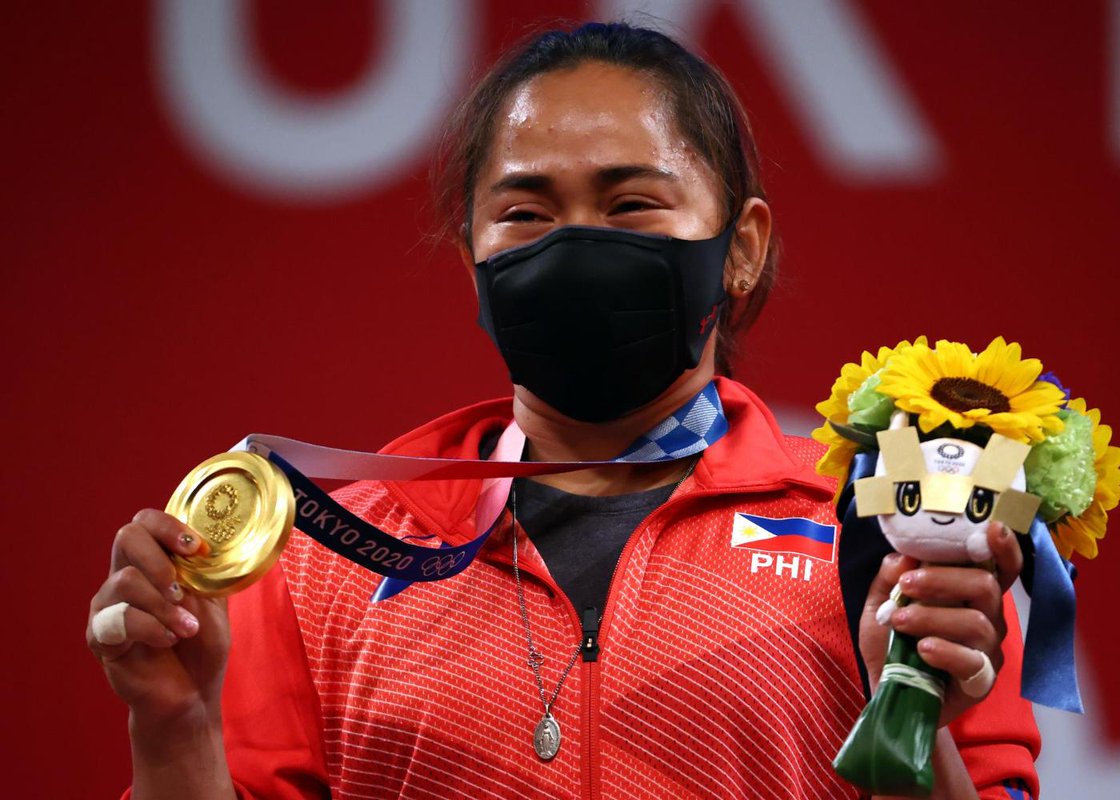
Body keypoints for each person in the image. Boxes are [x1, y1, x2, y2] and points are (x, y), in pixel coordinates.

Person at [87, 22, 1039, 800]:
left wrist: (906, 712)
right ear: (473, 259)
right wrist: (172, 731)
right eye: (528, 214)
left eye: (631, 205)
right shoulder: (326, 552)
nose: (578, 244)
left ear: (740, 247)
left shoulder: (891, 536)